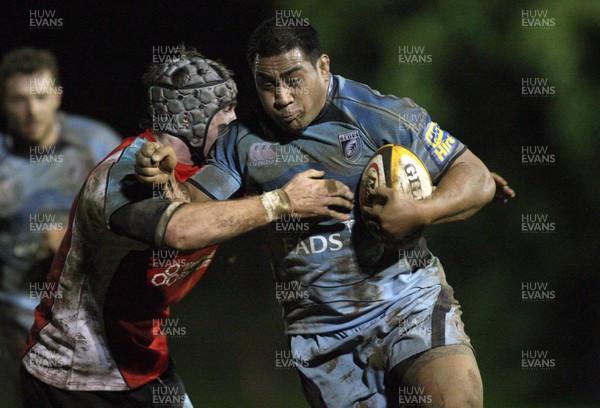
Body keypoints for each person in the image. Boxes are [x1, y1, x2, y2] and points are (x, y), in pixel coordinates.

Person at [135, 20, 520, 407]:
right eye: (267, 85)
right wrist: (165, 180)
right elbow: (191, 213)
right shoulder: (243, 141)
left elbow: (476, 177)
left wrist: (422, 211)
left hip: (408, 305)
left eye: (293, 79)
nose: (281, 98)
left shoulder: (376, 115)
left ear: (322, 67)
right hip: (323, 338)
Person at [20, 47, 353, 408]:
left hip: (146, 365)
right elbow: (179, 230)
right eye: (224, 112)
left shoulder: (218, 166)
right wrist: (282, 202)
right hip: (72, 373)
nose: (233, 121)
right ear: (190, 119)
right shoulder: (121, 176)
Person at [0, 47, 120, 392]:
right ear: (4, 103)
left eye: (40, 97)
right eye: (18, 100)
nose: (32, 111)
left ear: (57, 96)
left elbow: (135, 220)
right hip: (21, 311)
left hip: (94, 304)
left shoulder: (96, 144)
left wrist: (74, 239)